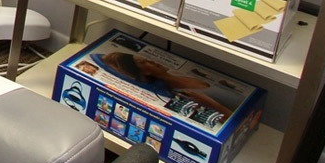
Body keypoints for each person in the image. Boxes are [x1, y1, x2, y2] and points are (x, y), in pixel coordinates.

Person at [97, 50, 239, 118]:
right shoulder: (180, 97)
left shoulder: (188, 72)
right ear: (144, 73)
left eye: (145, 57)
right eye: (143, 62)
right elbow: (233, 122)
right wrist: (214, 106)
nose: (151, 60)